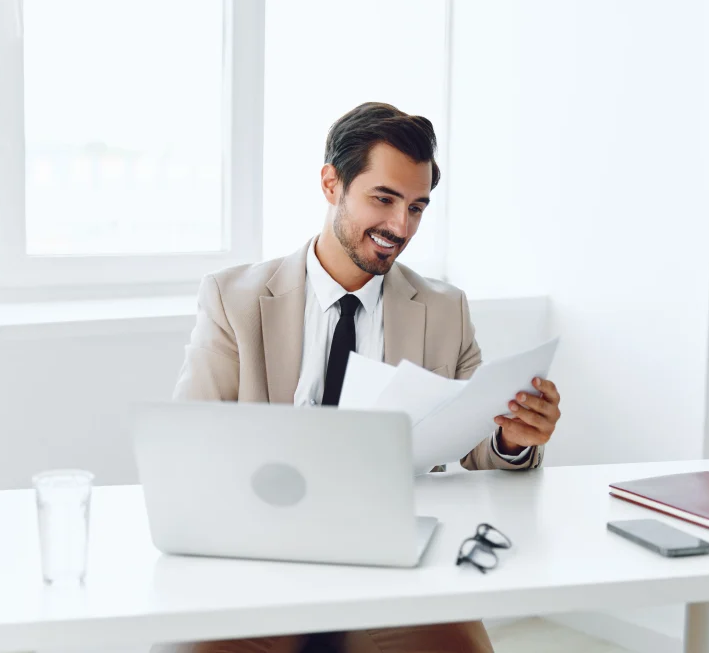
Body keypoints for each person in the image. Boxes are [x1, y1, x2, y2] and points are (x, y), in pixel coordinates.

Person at [168, 102, 562, 653]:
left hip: (391, 563)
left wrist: (512, 438)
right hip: (262, 562)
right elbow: (190, 440)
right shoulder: (234, 299)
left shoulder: (443, 309)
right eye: (384, 199)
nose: (400, 227)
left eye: (417, 207)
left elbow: (479, 443)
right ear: (332, 183)